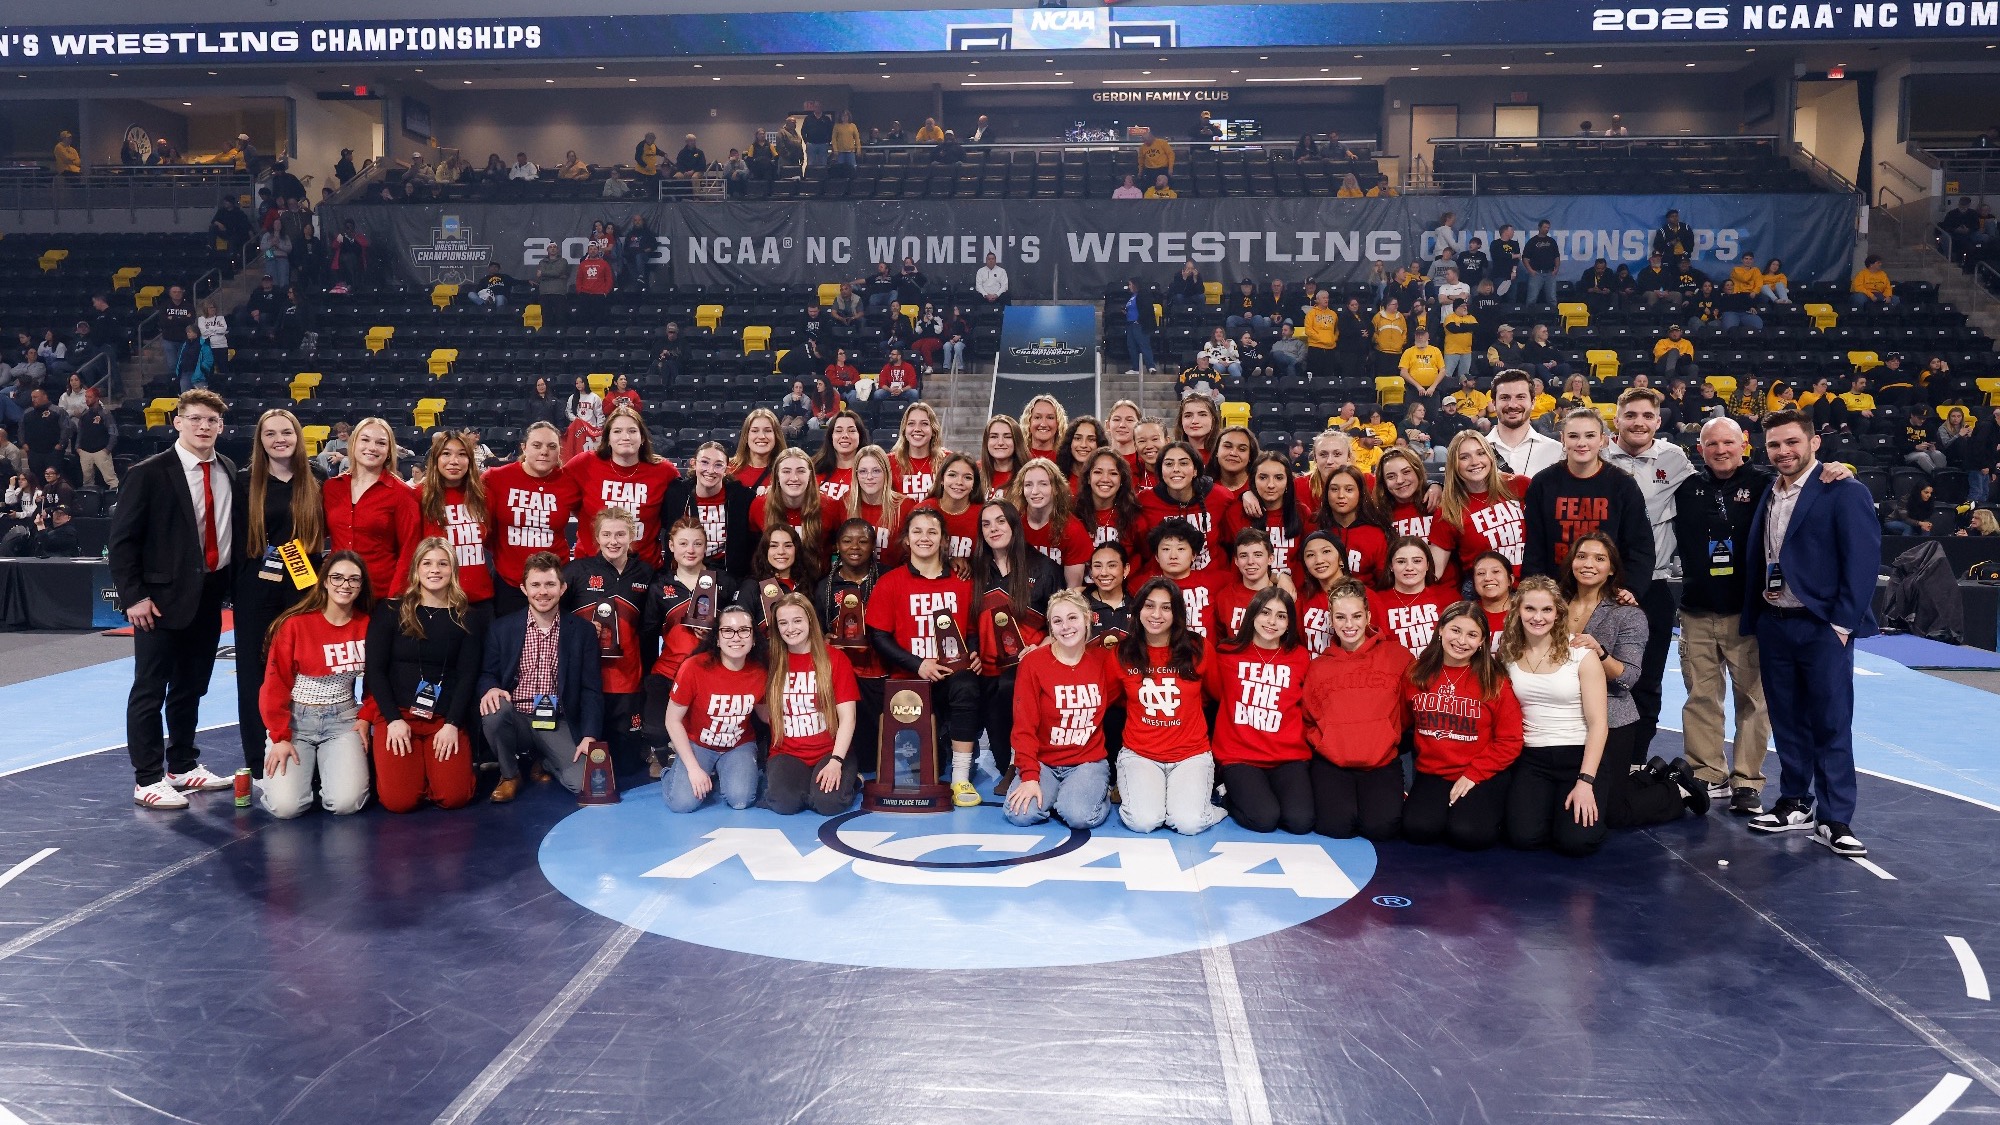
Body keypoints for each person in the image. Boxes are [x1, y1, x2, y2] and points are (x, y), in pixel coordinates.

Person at [1742, 411, 1881, 856]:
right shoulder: (1769, 491)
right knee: (1787, 720)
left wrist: (1841, 624)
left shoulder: (1844, 490)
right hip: (1775, 623)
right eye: (1774, 445)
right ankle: (1795, 802)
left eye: (1791, 442)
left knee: (1830, 722)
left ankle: (1836, 817)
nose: (1783, 452)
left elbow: (1863, 561)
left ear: (1814, 442)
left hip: (1822, 626)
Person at [111, 390, 241, 808]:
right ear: (178, 422)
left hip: (209, 595)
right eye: (196, 418)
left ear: (221, 426)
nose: (204, 426)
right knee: (150, 689)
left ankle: (182, 764)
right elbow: (123, 541)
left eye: (212, 420)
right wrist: (134, 596)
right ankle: (147, 778)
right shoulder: (149, 472)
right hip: (158, 601)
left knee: (190, 686)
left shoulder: (227, 468)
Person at [1672, 418, 1773, 813]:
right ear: (1700, 449)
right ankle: (1707, 772)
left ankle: (1747, 781)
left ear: (1743, 444)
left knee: (1753, 699)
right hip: (1696, 608)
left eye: (1728, 442)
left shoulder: (1766, 484)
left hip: (1746, 612)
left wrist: (1831, 468)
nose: (1720, 450)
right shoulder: (1686, 488)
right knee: (1700, 696)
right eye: (1711, 444)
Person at [231, 408, 326, 776]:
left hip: (304, 585)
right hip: (256, 586)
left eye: (286, 432)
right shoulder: (244, 482)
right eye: (270, 434)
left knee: (304, 671)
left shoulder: (316, 477)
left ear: (298, 436)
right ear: (260, 441)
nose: (279, 439)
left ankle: (308, 754)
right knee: (254, 673)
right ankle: (258, 762)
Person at [1601, 387, 1693, 758]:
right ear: (1616, 419)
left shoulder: (1674, 458)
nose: (1638, 423)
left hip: (1652, 586)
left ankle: (1636, 760)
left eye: (1646, 416)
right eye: (1630, 415)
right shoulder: (1596, 453)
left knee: (1647, 678)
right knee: (1592, 674)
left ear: (1657, 421)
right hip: (1599, 588)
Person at [867, 508, 981, 794]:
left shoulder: (962, 582)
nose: (924, 537)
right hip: (909, 681)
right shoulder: (890, 582)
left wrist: (974, 653)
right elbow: (879, 636)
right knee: (917, 778)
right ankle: (941, 743)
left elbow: (971, 630)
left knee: (967, 685)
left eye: (932, 531)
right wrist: (918, 664)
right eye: (916, 531)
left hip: (953, 676)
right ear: (906, 539)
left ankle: (961, 777)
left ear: (944, 539)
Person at [1497, 576, 1613, 854]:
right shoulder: (1507, 654)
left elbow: (1599, 724)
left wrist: (1586, 781)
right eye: (1530, 609)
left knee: (1576, 843)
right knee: (1523, 837)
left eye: (1546, 610)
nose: (1538, 617)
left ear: (1558, 613)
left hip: (1578, 756)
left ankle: (1667, 790)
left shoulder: (1581, 654)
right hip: (1532, 758)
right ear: (1517, 611)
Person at [254, 550, 373, 819]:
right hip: (296, 721)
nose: (345, 585)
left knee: (346, 803)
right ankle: (302, 775)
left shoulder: (367, 625)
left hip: (343, 720)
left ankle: (325, 771)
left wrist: (366, 717)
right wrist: (280, 737)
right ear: (325, 581)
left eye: (354, 579)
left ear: (362, 585)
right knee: (286, 808)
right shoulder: (295, 625)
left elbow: (378, 679)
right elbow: (275, 684)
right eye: (337, 577)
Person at [365, 539, 481, 813]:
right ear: (416, 569)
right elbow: (375, 671)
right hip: (398, 716)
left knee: (455, 797)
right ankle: (418, 773)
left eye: (443, 563)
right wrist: (393, 719)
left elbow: (468, 676)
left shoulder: (468, 618)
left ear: (453, 570)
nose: (434, 570)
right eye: (427, 563)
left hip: (443, 719)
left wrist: (452, 724)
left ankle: (431, 772)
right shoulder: (390, 611)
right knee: (399, 802)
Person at [479, 551, 605, 797]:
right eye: (535, 585)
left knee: (584, 783)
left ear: (562, 588)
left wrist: (590, 735)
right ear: (524, 589)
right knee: (494, 711)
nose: (543, 592)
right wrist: (490, 688)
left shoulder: (583, 631)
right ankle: (510, 774)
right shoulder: (501, 628)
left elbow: (591, 690)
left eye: (550, 584)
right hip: (516, 716)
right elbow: (487, 673)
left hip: (557, 720)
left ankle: (545, 760)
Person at [1399, 603, 1521, 848]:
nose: (1462, 641)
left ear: (1482, 641)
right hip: (1433, 772)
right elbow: (1400, 722)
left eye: (1472, 634)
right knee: (1418, 830)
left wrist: (1474, 774)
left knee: (1468, 834)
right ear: (1441, 630)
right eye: (1455, 630)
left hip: (1479, 772)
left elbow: (1511, 740)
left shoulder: (1493, 680)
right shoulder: (1416, 674)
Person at [1298, 578, 1411, 839]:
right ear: (1331, 620)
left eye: (1357, 616)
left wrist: (1385, 733)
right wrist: (1327, 741)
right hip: (1333, 764)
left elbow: (1408, 709)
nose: (1349, 625)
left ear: (1368, 616)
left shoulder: (1397, 656)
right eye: (1341, 617)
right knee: (1335, 828)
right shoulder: (1318, 667)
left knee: (1381, 829)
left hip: (1381, 761)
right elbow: (1308, 718)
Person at [1112, 578, 1224, 834]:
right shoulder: (1122, 653)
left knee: (1189, 823)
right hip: (1140, 753)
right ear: (1138, 609)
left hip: (1190, 754)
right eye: (1149, 606)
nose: (1156, 615)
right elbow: (1110, 699)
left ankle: (1213, 807)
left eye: (1166, 608)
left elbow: (1216, 693)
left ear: (1177, 613)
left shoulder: (1198, 648)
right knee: (1143, 821)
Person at [1003, 590, 1119, 828]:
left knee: (1080, 817)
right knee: (1020, 815)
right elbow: (1024, 727)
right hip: (1044, 763)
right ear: (1051, 628)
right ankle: (1060, 795)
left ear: (1087, 619)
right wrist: (1029, 777)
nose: (1066, 627)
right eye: (1057, 621)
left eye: (1072, 618)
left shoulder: (1104, 660)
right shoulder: (1033, 663)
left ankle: (1089, 793)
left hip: (1087, 762)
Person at [1205, 587, 1312, 833]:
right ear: (1252, 614)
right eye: (1265, 612)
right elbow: (1214, 694)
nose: (1272, 621)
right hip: (1240, 757)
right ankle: (1226, 793)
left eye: (1281, 616)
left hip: (1288, 757)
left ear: (1290, 623)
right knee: (1264, 819)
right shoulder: (1226, 654)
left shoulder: (1300, 657)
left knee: (1300, 821)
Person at [1522, 408, 1653, 594]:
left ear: (1602, 440)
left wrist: (1630, 589)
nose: (1581, 443)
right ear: (1562, 439)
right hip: (1553, 593)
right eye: (1573, 436)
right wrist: (1535, 591)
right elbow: (1533, 547)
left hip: (1609, 594)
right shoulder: (1542, 483)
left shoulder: (1623, 485)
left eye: (1590, 435)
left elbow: (1639, 545)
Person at [661, 604, 767, 812]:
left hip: (738, 744)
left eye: (744, 630)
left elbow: (765, 715)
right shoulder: (694, 667)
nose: (736, 637)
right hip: (698, 744)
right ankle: (671, 773)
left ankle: (724, 773)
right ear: (717, 639)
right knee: (682, 804)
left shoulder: (760, 671)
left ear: (754, 638)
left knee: (741, 800)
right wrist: (693, 769)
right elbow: (672, 720)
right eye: (727, 631)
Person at [324, 417, 421, 596]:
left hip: (381, 594)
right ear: (353, 444)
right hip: (337, 593)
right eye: (365, 440)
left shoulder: (402, 494)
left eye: (381, 443)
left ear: (389, 451)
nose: (372, 448)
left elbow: (410, 551)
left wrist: (395, 598)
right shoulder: (331, 488)